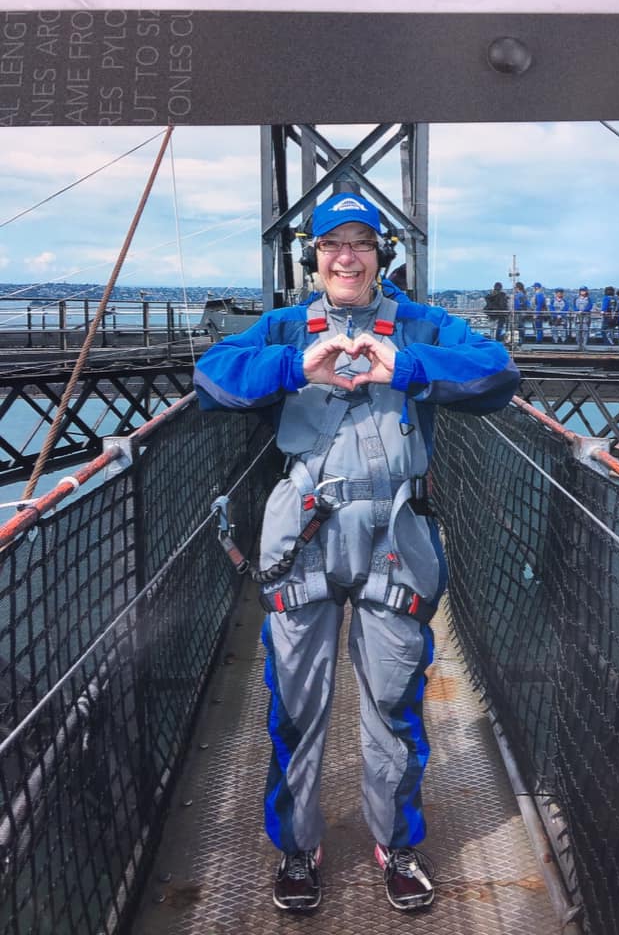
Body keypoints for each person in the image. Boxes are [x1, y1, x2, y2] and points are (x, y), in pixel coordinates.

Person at [192, 192, 520, 914]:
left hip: (394, 536)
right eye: (331, 243)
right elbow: (210, 379)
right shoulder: (283, 328)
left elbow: (498, 375)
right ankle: (298, 849)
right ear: (313, 255)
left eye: (361, 243)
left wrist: (405, 367)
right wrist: (291, 367)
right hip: (304, 537)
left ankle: (395, 845)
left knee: (395, 702)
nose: (346, 256)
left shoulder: (423, 327)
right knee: (297, 705)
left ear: (382, 254)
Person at [574, 285, 593, 349]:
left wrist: (584, 311)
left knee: (585, 331)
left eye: (584, 291)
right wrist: (577, 311)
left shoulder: (588, 299)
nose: (583, 292)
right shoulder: (576, 299)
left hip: (586, 318)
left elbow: (590, 306)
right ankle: (578, 345)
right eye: (581, 291)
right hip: (578, 318)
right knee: (577, 332)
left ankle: (584, 345)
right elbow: (574, 306)